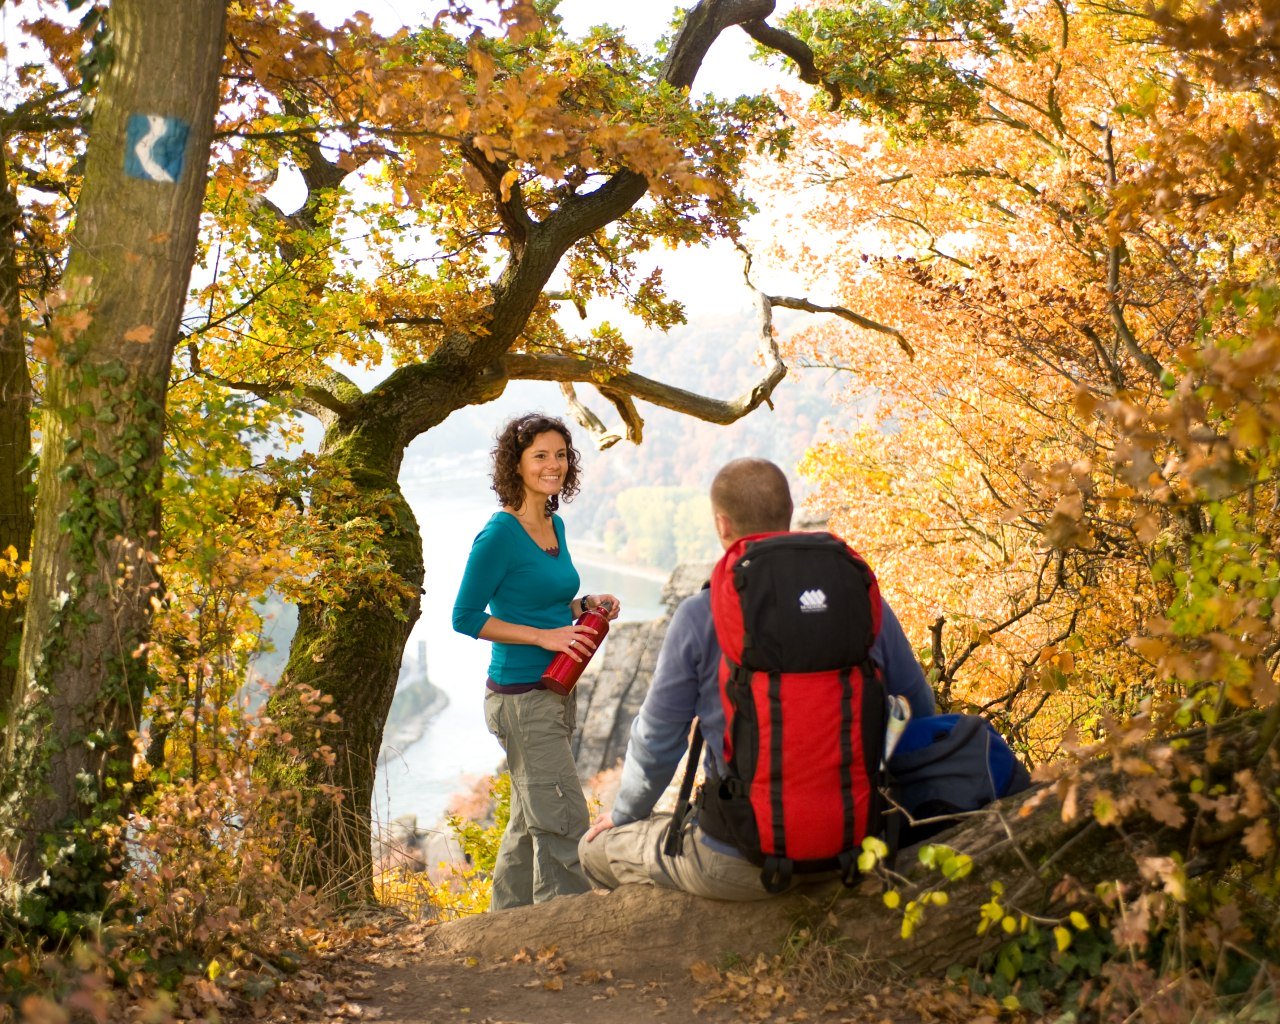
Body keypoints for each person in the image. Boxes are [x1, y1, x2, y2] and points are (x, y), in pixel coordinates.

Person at [579, 457, 936, 900]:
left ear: (722, 524)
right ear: (787, 513)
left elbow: (658, 739)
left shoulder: (700, 614)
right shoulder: (856, 599)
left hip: (737, 856)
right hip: (857, 842)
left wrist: (626, 812)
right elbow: (918, 709)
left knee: (594, 848)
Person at [452, 413, 621, 909]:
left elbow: (545, 600)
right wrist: (543, 637)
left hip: (552, 691)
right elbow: (464, 616)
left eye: (561, 455)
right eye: (540, 456)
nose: (554, 465)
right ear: (516, 464)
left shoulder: (553, 522)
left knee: (530, 821)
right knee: (564, 819)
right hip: (520, 698)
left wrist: (585, 606)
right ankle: (561, 938)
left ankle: (502, 930)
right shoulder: (499, 535)